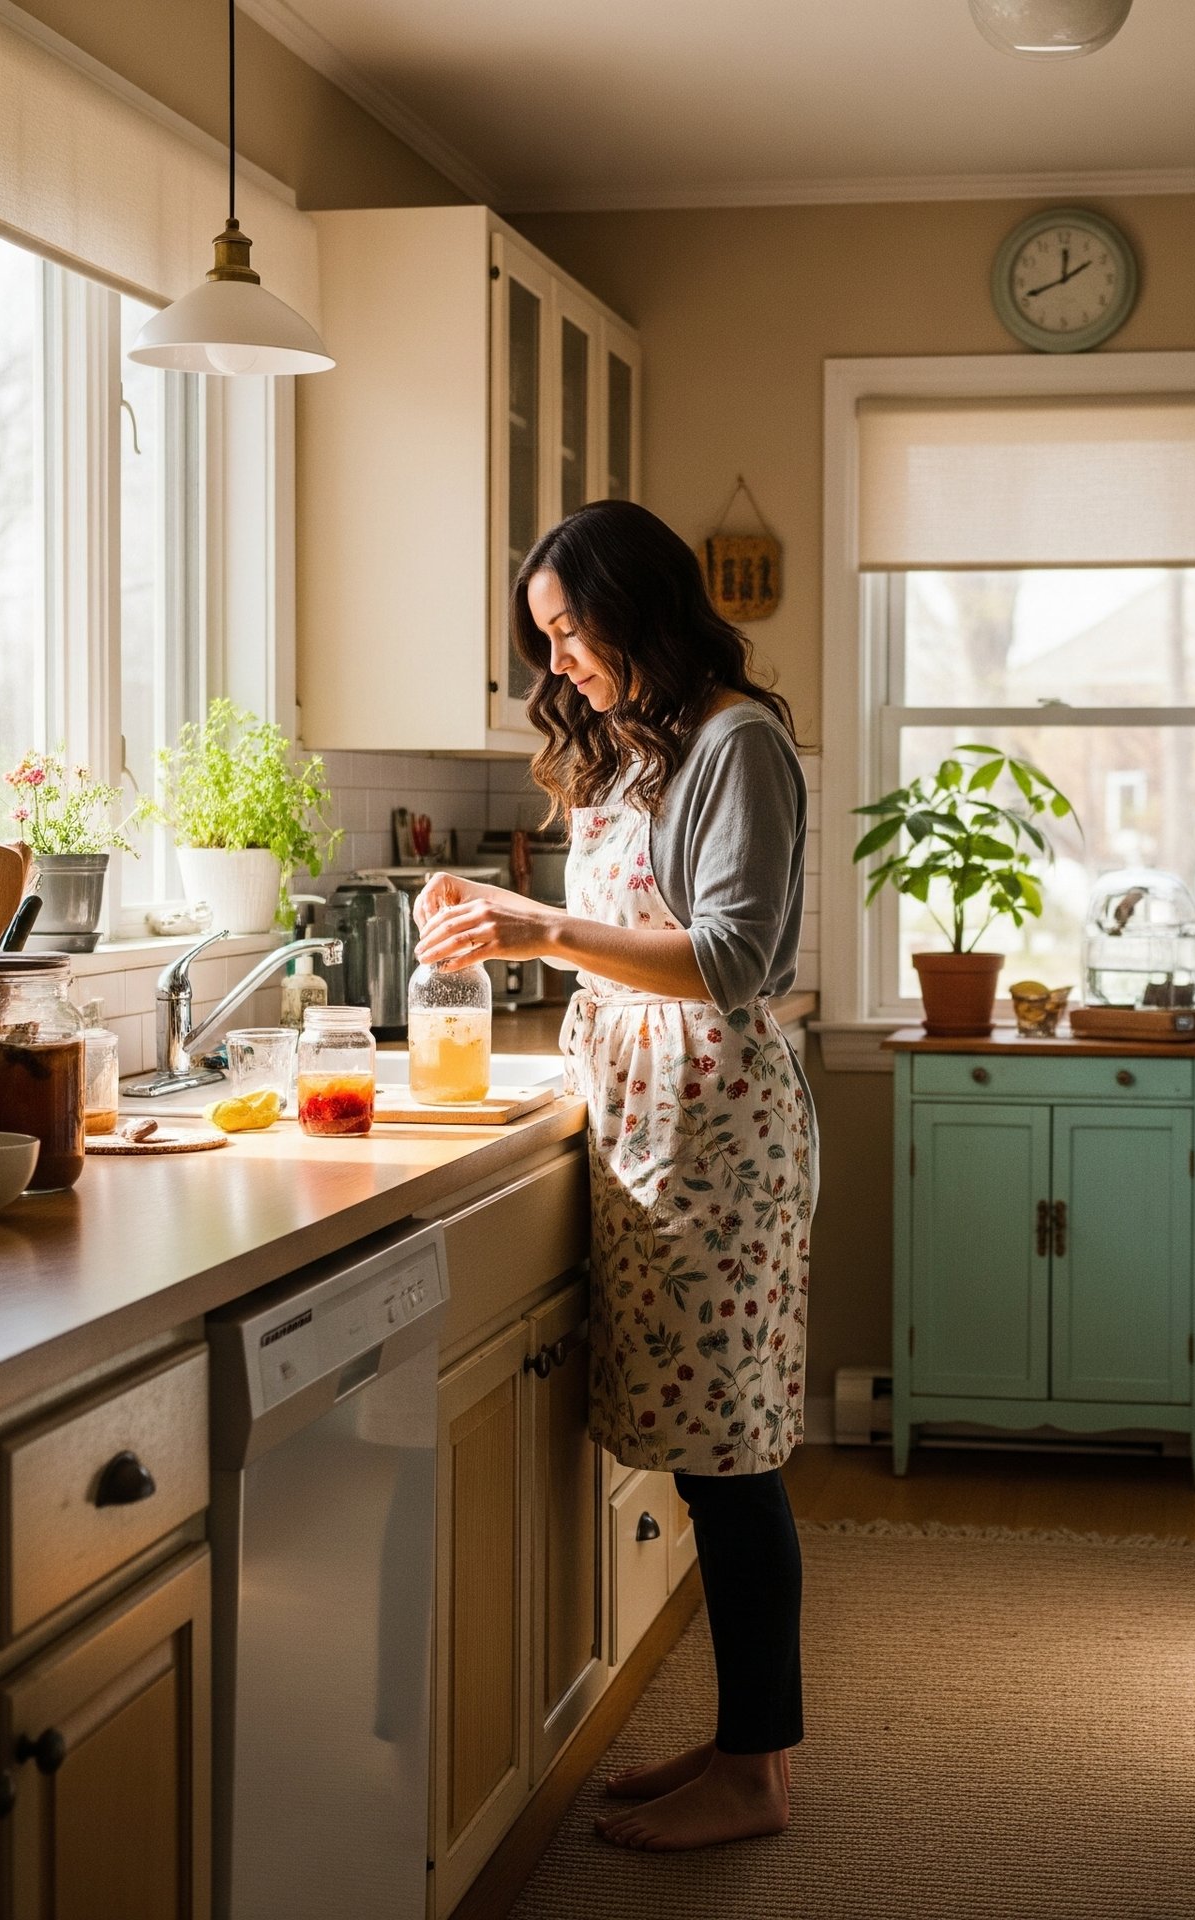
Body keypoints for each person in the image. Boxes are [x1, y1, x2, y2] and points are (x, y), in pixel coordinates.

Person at [413, 499, 816, 1853]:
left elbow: (731, 961)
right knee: (707, 1453)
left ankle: (754, 1777)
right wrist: (518, 936)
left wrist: (534, 926)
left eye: (571, 631)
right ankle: (740, 1740)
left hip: (713, 1136)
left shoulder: (738, 741)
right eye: (545, 640)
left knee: (730, 1461)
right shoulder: (645, 749)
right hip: (645, 1118)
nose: (558, 664)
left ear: (639, 608)